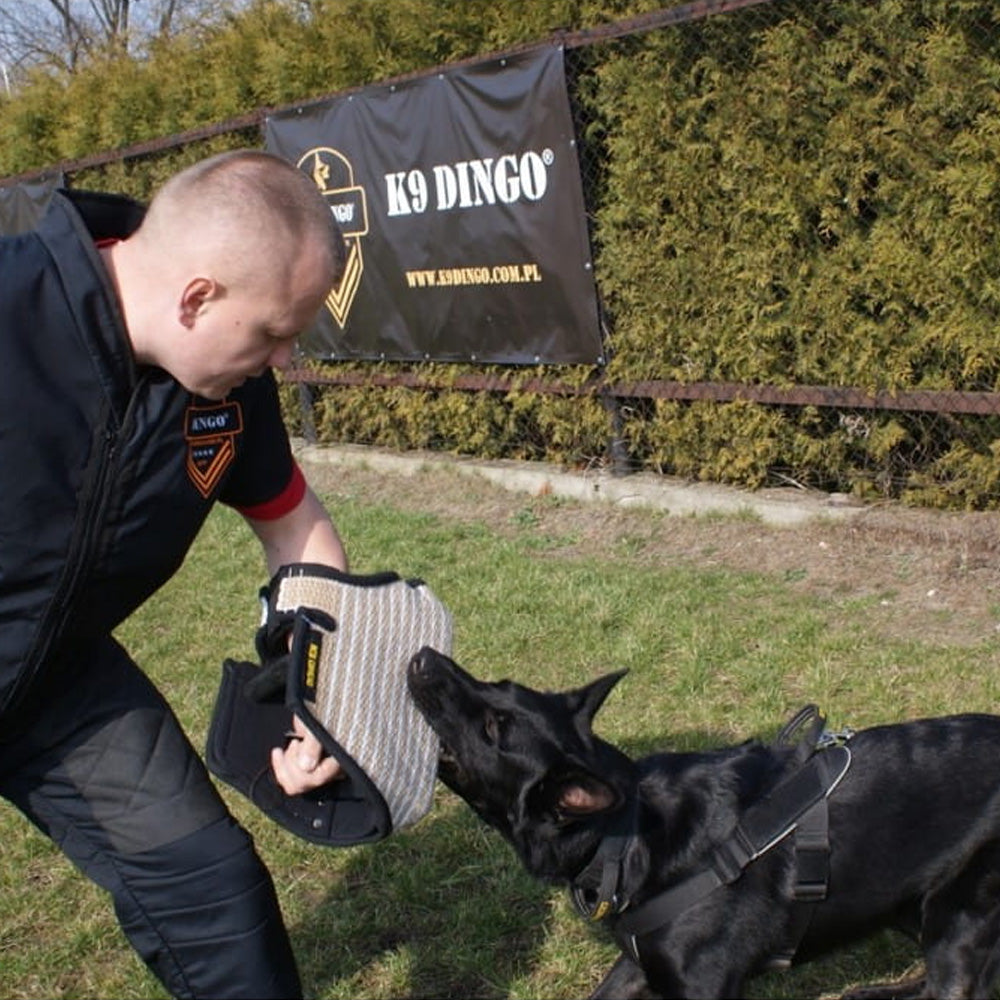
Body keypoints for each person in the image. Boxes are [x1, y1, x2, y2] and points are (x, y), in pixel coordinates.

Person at [0, 149, 351, 998]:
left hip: (59, 683)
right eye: (273, 332)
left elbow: (297, 530)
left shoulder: (227, 389)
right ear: (198, 297)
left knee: (214, 891)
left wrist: (314, 693)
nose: (282, 357)